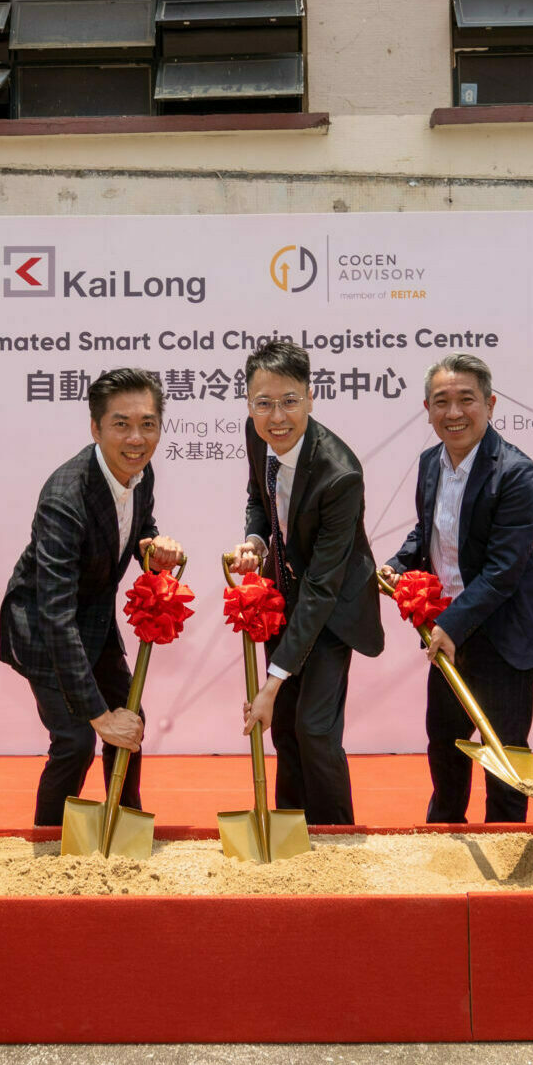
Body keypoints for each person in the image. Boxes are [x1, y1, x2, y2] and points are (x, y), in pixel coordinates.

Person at [0, 368, 187, 827]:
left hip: (93, 617)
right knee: (76, 740)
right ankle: (47, 842)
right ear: (96, 428)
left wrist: (152, 548)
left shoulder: (140, 471)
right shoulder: (64, 497)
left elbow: (138, 528)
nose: (136, 438)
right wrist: (99, 718)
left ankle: (124, 827)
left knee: (131, 718)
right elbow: (55, 614)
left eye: (147, 424)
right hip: (43, 626)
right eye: (121, 424)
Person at [384, 354, 533, 823]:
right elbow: (429, 531)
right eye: (441, 401)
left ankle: (506, 844)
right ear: (427, 409)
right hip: (448, 630)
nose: (454, 413)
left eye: (466, 400)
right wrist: (397, 564)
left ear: (490, 404)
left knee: (504, 753)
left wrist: (451, 623)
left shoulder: (515, 473)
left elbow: (504, 569)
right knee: (445, 742)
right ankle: (446, 833)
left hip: (503, 634)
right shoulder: (430, 463)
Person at [221, 340, 383, 828]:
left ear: (311, 397)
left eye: (289, 401)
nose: (277, 417)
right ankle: (292, 832)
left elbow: (322, 588)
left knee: (314, 729)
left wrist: (271, 684)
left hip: (332, 606)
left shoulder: (340, 474)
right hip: (284, 596)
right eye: (264, 403)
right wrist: (255, 541)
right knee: (287, 730)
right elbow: (259, 496)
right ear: (249, 404)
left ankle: (336, 838)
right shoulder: (257, 435)